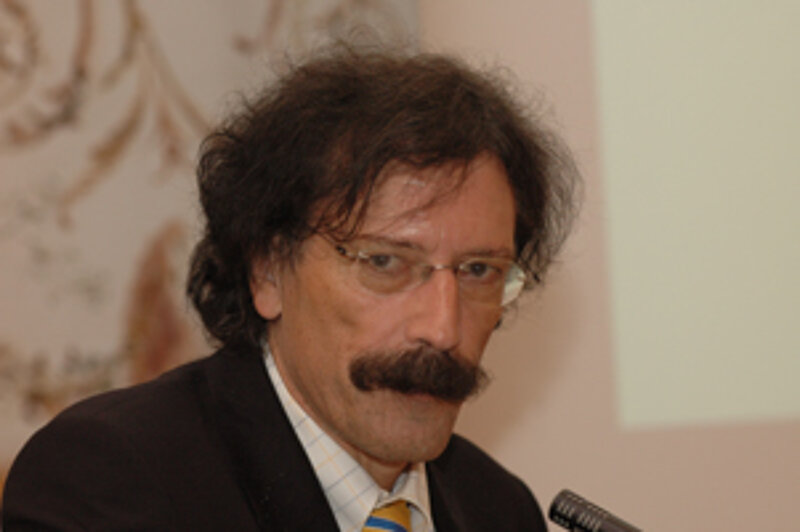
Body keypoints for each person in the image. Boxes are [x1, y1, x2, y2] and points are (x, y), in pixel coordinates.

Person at [2, 45, 578, 531]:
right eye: (385, 262)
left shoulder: (498, 508)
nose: (444, 328)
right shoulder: (113, 480)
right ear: (268, 270)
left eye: (478, 270)